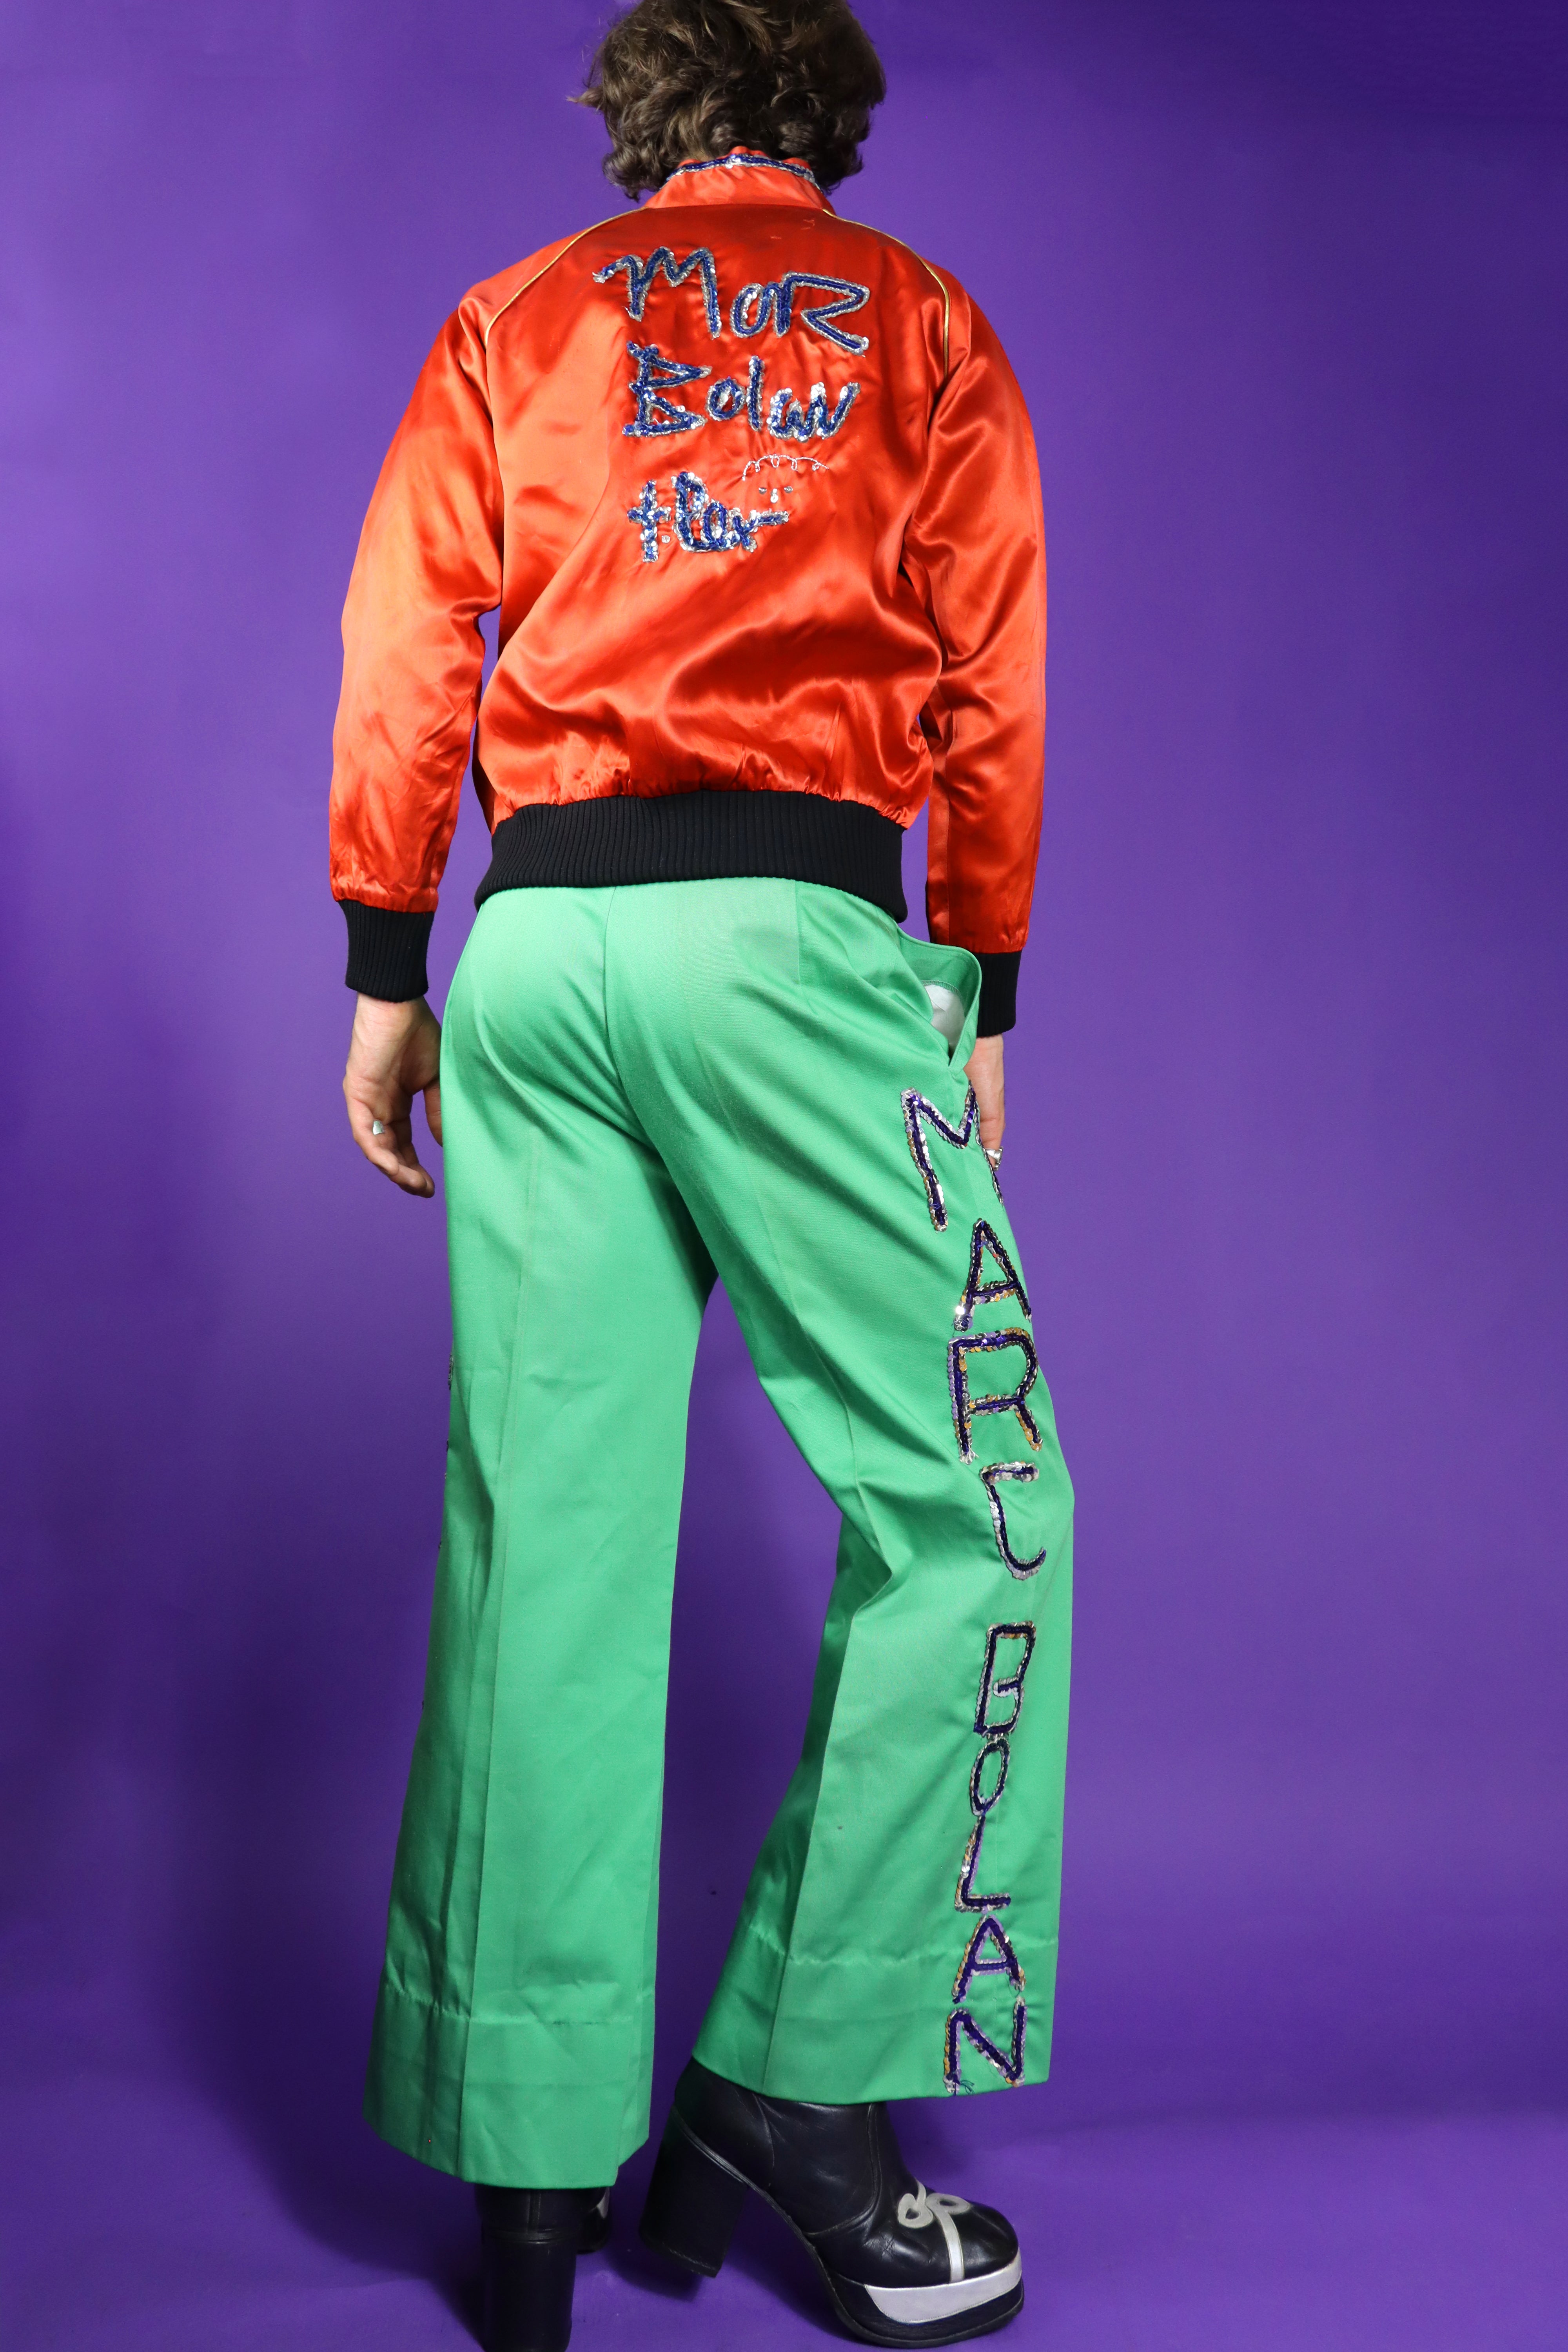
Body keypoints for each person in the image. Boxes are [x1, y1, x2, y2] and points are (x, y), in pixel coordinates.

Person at [330, 2, 1073, 2344]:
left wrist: (387, 962)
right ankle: (800, 2090)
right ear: (831, 122)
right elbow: (988, 670)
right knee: (976, 1501)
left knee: (543, 1539)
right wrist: (979, 980)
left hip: (538, 951)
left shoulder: (513, 316)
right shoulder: (919, 320)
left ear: (641, 120)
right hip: (783, 939)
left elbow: (405, 634)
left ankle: (527, 2184)